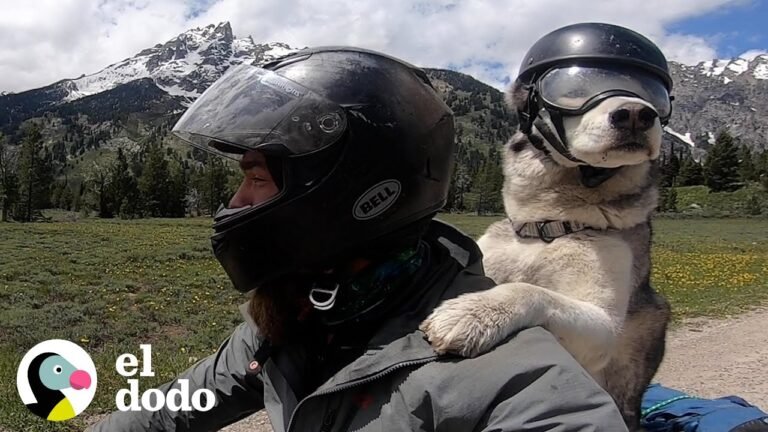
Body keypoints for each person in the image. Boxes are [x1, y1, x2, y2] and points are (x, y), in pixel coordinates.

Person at [87, 47, 627, 431]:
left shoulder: (498, 370)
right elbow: (171, 410)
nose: (234, 204)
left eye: (255, 179)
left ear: (351, 190)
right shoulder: (295, 316)